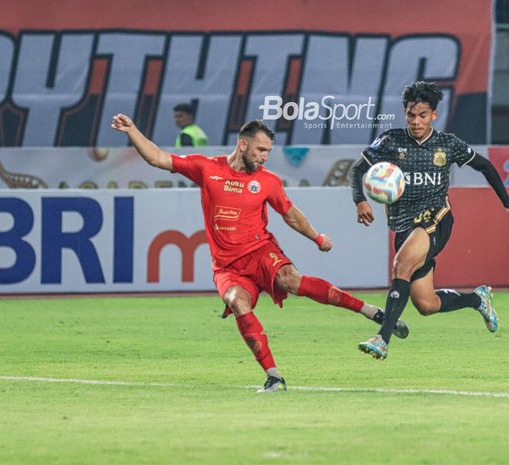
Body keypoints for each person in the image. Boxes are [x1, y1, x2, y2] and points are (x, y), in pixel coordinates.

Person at [111, 115, 409, 392]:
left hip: (260, 251)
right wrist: (132, 131)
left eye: (268, 151)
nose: (265, 156)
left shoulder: (267, 181)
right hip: (227, 266)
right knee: (237, 303)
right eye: (261, 149)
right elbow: (158, 158)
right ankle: (273, 375)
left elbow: (289, 214)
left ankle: (372, 312)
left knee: (292, 280)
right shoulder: (207, 168)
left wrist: (316, 237)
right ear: (243, 145)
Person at [349, 81, 509, 360]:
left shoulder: (447, 144)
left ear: (434, 114)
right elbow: (357, 169)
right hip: (405, 226)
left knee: (400, 265)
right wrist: (360, 199)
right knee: (426, 303)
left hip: (437, 219)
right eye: (410, 114)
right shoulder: (390, 142)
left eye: (422, 115)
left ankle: (382, 338)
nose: (416, 121)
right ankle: (477, 299)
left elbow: (485, 166)